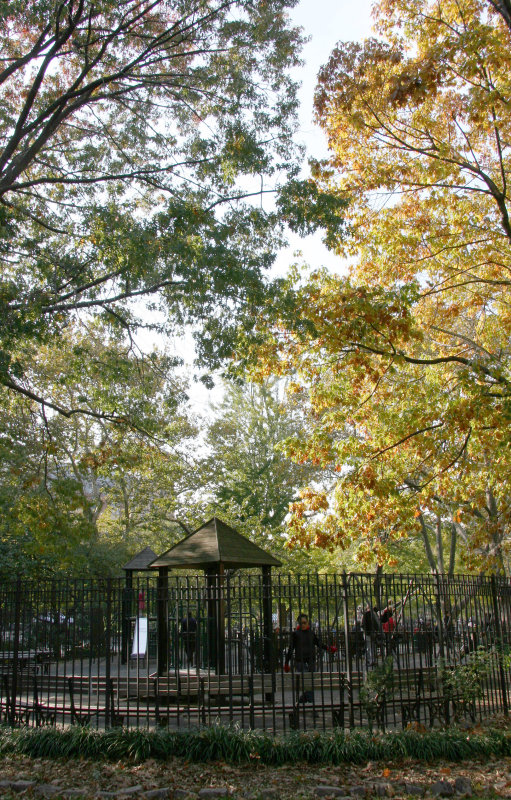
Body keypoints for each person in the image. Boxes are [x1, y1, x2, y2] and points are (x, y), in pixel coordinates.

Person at [284, 613, 336, 704]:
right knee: (307, 681)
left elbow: (318, 643)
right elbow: (290, 649)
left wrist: (328, 648)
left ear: (308, 622)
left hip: (311, 661)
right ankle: (312, 705)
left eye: (304, 622)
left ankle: (302, 699)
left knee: (311, 682)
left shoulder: (311, 633)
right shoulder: (295, 634)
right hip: (300, 661)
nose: (303, 625)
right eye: (301, 623)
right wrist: (286, 663)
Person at [362, 603, 382, 668]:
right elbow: (363, 625)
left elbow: (363, 625)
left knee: (371, 647)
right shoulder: (369, 614)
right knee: (370, 647)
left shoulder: (370, 614)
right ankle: (370, 660)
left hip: (370, 633)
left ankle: (371, 660)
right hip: (369, 633)